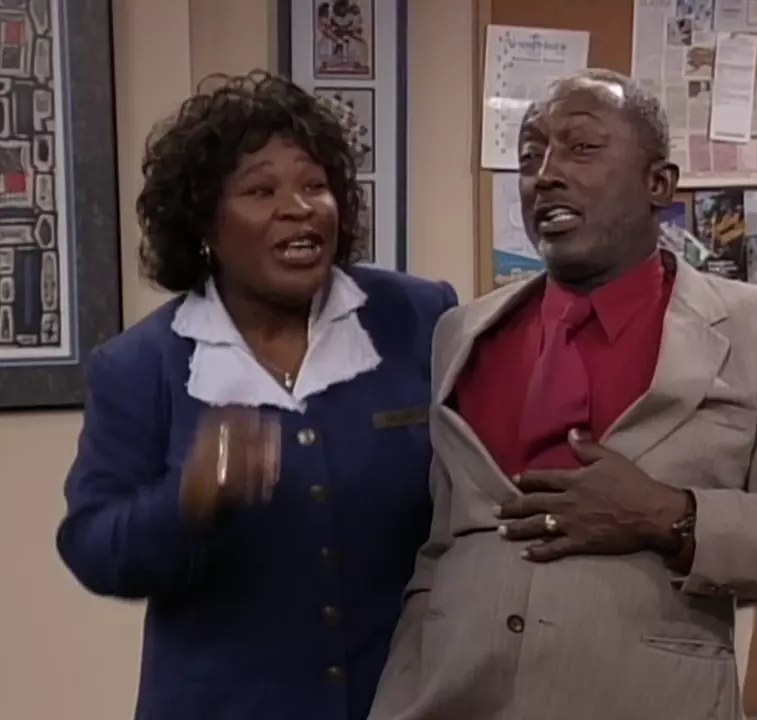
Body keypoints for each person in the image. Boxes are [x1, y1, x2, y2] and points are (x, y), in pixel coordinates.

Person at [369, 69, 757, 720]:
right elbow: (440, 552)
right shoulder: (461, 333)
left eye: (581, 148)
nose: (545, 175)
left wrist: (670, 516)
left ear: (658, 184)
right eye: (529, 156)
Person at [55, 71, 457, 720]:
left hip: (402, 702)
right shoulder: (140, 367)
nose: (298, 208)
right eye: (261, 190)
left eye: (315, 185)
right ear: (205, 226)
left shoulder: (417, 317)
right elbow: (94, 550)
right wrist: (185, 501)